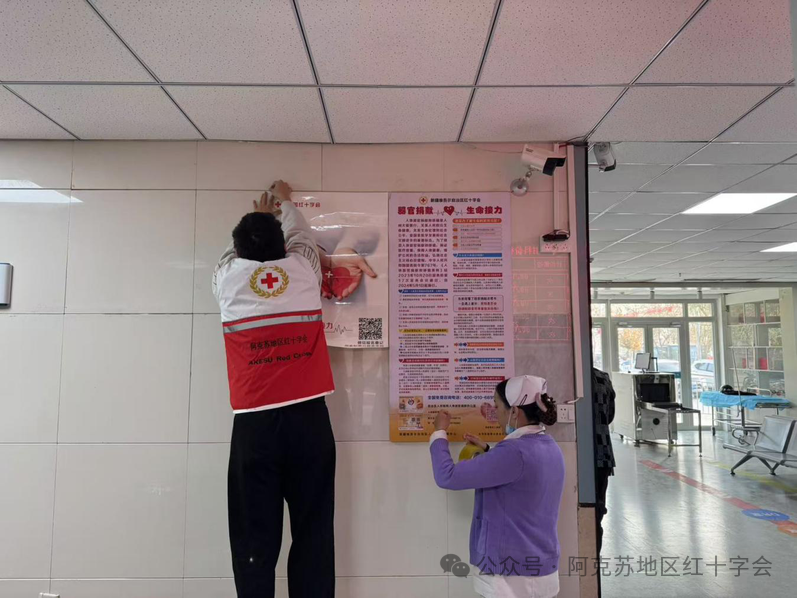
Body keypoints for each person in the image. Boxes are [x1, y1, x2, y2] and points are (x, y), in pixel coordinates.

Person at [213, 180, 336, 598]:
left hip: (255, 426)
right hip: (309, 420)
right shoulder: (303, 272)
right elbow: (302, 238)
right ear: (282, 247)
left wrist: (261, 217)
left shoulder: (227, 281)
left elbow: (232, 254)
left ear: (239, 251)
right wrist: (284, 204)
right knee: (313, 530)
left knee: (254, 537)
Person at [430, 375, 565, 598]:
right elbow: (521, 478)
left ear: (515, 412)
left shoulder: (513, 453)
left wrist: (439, 432)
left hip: (510, 576)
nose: (495, 411)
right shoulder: (549, 446)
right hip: (540, 568)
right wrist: (489, 452)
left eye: (497, 406)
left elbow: (447, 476)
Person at [591, 367, 616, 553]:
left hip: (581, 453)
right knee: (597, 511)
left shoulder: (572, 379)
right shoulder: (603, 378)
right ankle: (594, 559)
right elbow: (610, 416)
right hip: (603, 452)